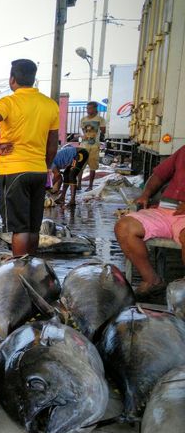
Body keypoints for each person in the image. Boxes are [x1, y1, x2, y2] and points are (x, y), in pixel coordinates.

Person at [0, 59, 59, 256]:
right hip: (39, 170)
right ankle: (31, 267)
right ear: (33, 80)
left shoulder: (8, 102)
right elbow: (53, 145)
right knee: (34, 227)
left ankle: (17, 272)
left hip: (14, 170)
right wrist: (46, 166)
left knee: (20, 228)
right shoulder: (50, 105)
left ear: (12, 79)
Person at [115, 146, 185, 295]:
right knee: (124, 227)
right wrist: (146, 194)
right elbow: (159, 175)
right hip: (164, 210)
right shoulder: (183, 151)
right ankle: (152, 280)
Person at [80, 101, 106, 191]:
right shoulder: (83, 119)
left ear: (95, 109)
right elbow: (83, 132)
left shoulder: (100, 119)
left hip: (94, 146)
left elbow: (103, 130)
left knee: (93, 166)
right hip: (84, 145)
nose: (88, 110)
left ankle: (90, 186)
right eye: (87, 108)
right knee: (80, 165)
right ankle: (78, 184)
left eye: (90, 108)